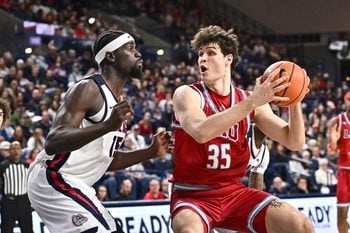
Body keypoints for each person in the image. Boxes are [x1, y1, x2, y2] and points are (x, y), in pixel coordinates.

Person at [170, 25, 313, 233]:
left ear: (228, 59)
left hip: (234, 193)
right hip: (193, 195)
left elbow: (295, 141)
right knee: (189, 231)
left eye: (210, 53)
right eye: (200, 54)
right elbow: (201, 132)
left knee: (300, 225)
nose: (202, 59)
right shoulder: (187, 94)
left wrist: (295, 100)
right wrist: (253, 101)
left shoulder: (249, 100)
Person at [27, 30, 172, 233]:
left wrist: (149, 152)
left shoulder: (116, 102)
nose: (138, 54)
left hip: (77, 184)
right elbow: (53, 141)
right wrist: (106, 126)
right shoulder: (89, 89)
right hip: (53, 176)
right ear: (111, 56)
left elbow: (105, 159)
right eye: (130, 49)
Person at [327, 91, 350, 233]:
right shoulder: (338, 121)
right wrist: (333, 143)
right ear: (346, 102)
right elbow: (332, 151)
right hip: (344, 172)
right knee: (341, 217)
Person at [0, 141, 33, 233]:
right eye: (13, 149)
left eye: (18, 148)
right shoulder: (3, 166)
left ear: (21, 151)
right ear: (10, 151)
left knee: (27, 229)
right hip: (8, 202)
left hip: (24, 201)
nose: (16, 151)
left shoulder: (27, 166)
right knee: (6, 229)